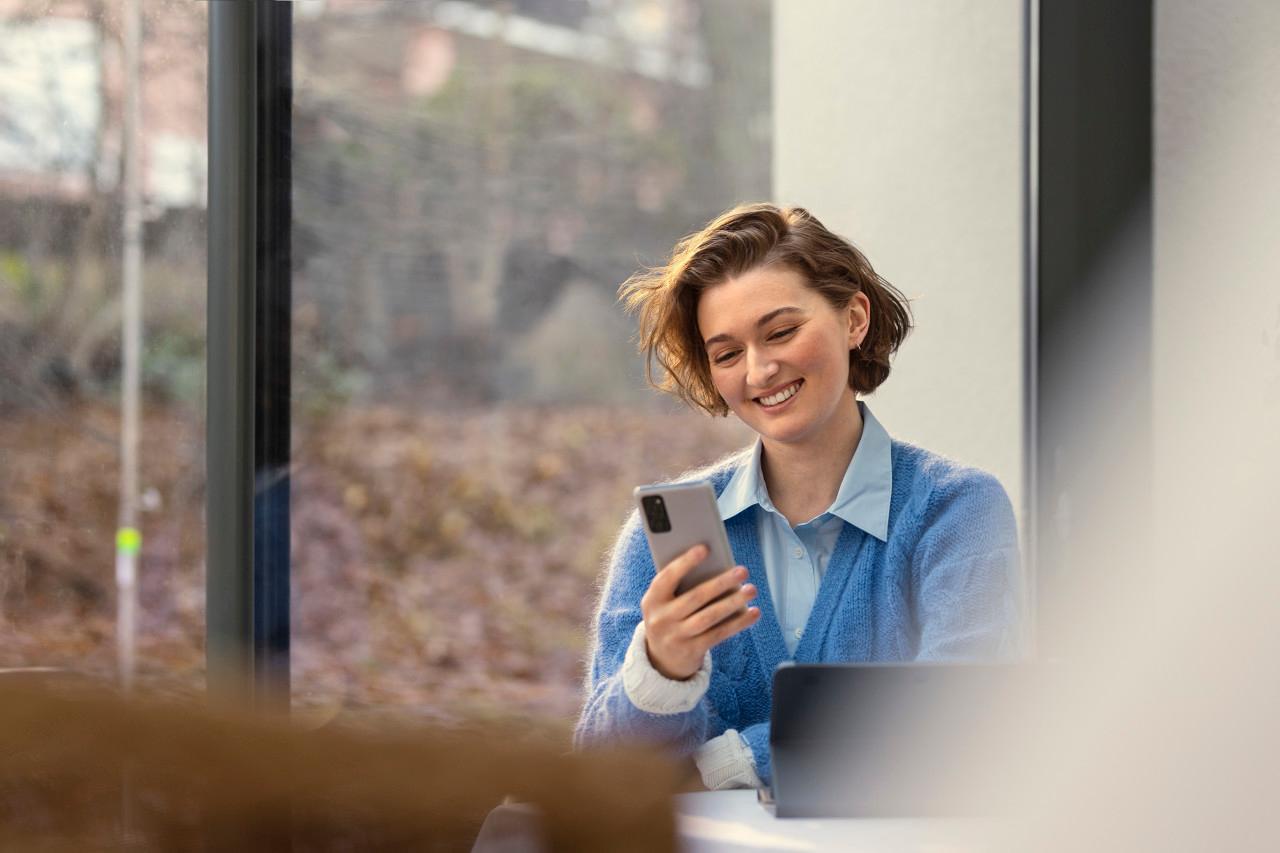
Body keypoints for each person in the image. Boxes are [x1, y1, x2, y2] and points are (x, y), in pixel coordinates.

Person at [573, 203, 1024, 791]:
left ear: (854, 318)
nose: (759, 370)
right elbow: (602, 779)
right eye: (727, 353)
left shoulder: (956, 512)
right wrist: (661, 672)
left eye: (781, 332)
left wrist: (727, 762)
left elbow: (958, 723)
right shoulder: (661, 540)